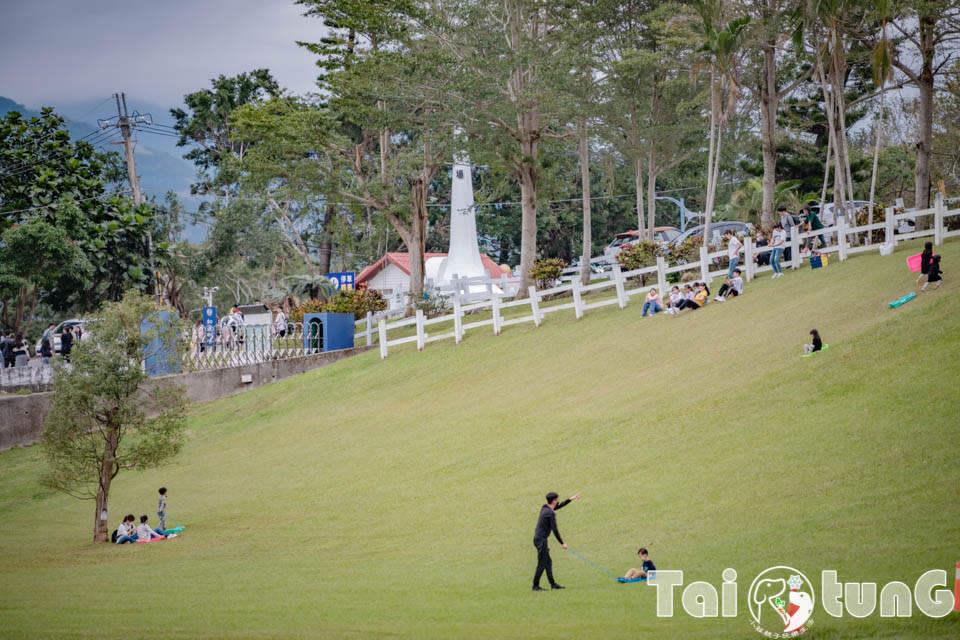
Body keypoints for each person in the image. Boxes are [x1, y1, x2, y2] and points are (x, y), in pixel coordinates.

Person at [532, 491, 580, 591]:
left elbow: (557, 507)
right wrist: (562, 543)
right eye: (557, 499)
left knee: (548, 562)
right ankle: (535, 586)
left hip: (539, 539)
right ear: (553, 501)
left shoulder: (545, 508)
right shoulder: (550, 513)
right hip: (541, 541)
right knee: (542, 563)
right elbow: (555, 530)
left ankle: (553, 584)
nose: (558, 501)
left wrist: (570, 499)